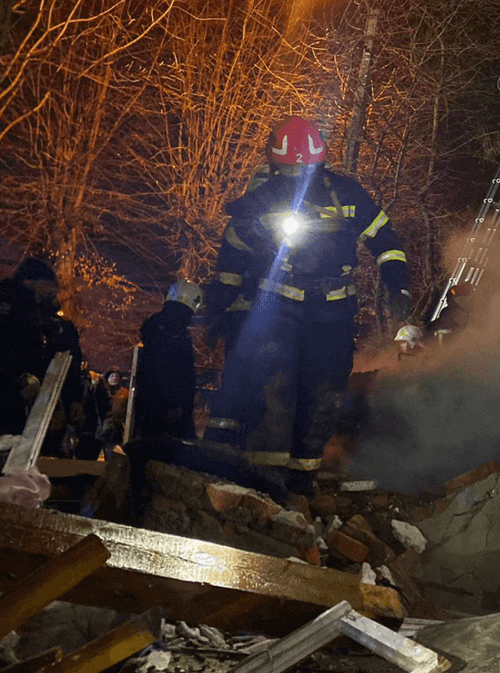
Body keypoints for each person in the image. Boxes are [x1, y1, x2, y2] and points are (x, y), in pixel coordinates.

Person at [204, 116, 413, 496]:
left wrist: (397, 282)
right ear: (275, 165)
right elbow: (234, 250)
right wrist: (222, 299)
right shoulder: (262, 199)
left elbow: (385, 238)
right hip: (279, 309)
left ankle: (302, 480)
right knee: (273, 391)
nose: (295, 177)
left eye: (302, 170)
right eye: (288, 170)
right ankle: (265, 484)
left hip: (332, 315)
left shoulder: (346, 194)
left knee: (325, 395)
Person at [0, 258, 84, 454]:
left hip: (39, 402)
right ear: (31, 282)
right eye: (48, 285)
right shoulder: (14, 311)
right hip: (14, 397)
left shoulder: (51, 322)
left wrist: (73, 398)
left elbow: (68, 361)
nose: (53, 292)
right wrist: (20, 377)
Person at [136, 281, 202, 440]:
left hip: (154, 406)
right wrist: (175, 404)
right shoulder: (175, 334)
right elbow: (172, 371)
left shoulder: (158, 329)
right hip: (169, 410)